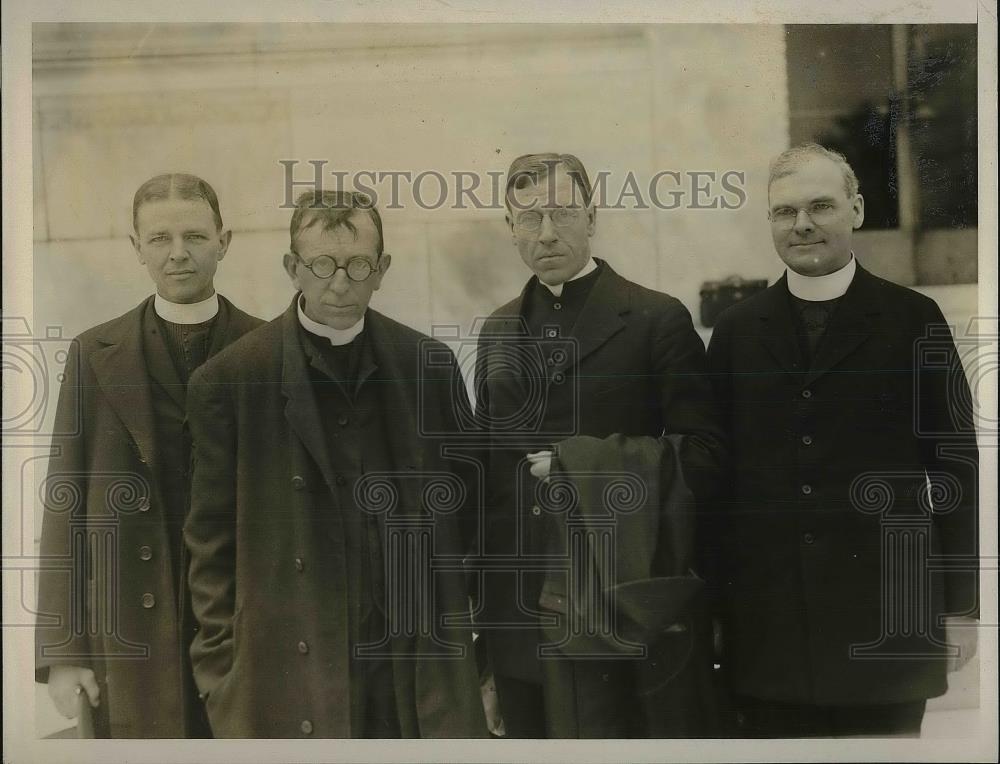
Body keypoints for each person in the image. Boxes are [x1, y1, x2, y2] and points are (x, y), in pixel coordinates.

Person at [183, 190, 486, 738]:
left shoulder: (429, 366)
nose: (340, 282)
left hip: (411, 666)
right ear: (292, 269)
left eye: (358, 264)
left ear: (382, 270)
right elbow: (210, 545)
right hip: (291, 669)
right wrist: (221, 674)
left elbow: (471, 516)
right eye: (322, 264)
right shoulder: (231, 380)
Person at [706, 143, 979, 737]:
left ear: (856, 209)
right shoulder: (734, 333)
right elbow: (715, 483)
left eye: (821, 206)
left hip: (886, 623)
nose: (802, 224)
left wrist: (960, 609)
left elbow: (956, 468)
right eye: (785, 212)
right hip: (769, 628)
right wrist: (714, 610)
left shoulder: (914, 318)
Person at [474, 153, 727, 738]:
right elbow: (486, 484)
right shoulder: (496, 331)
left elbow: (705, 456)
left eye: (562, 213)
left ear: (592, 217)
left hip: (621, 605)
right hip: (520, 615)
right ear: (509, 229)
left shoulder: (655, 319)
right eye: (528, 218)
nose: (546, 233)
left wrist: (583, 465)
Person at [35, 173, 263, 737]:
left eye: (194, 236)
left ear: (224, 241)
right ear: (136, 248)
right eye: (160, 239)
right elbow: (65, 502)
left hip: (245, 626)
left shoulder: (269, 349)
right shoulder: (94, 353)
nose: (178, 253)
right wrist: (65, 651)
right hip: (129, 634)